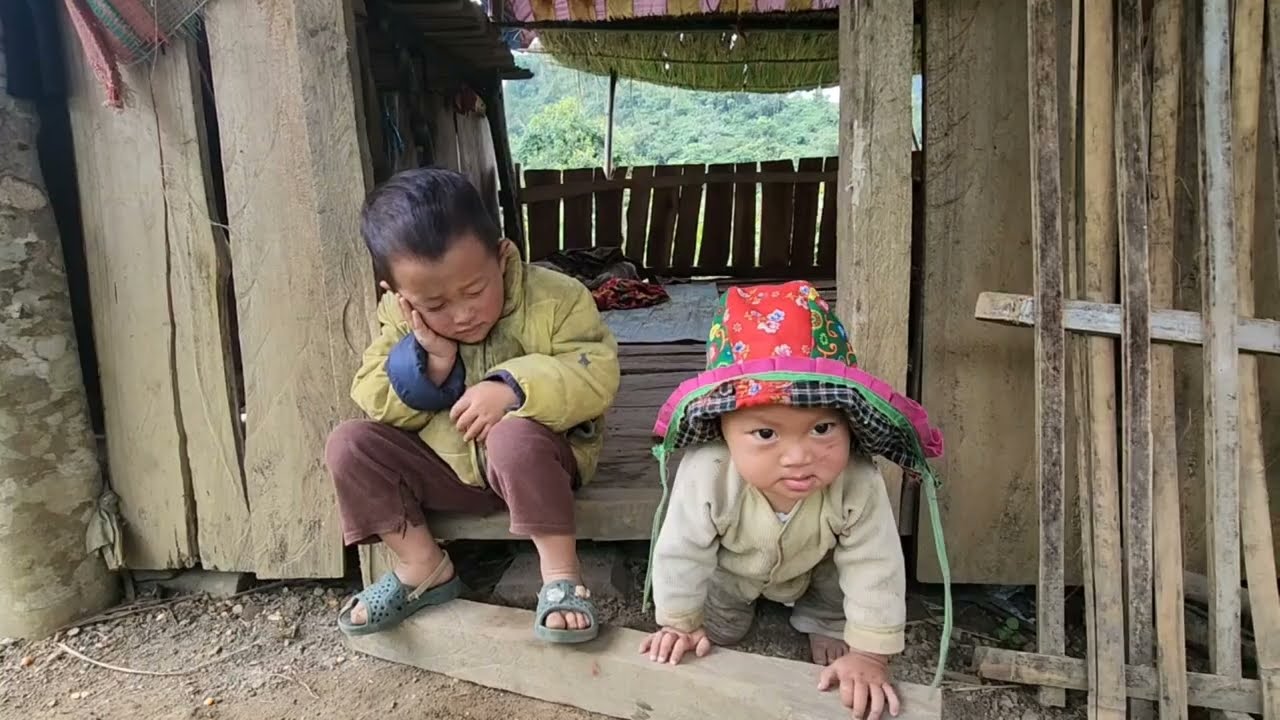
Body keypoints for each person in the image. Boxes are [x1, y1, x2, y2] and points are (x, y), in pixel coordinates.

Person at [326, 168, 620, 643]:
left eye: (475, 290)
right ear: (399, 297)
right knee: (350, 444)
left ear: (501, 257)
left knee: (511, 434)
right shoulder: (400, 321)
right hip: (449, 470)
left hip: (541, 464)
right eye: (436, 304)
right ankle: (424, 566)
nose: (462, 314)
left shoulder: (559, 299)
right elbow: (374, 397)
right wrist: (429, 366)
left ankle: (561, 575)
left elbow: (597, 372)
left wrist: (513, 388)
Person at [639, 281, 944, 720]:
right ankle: (713, 618)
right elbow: (681, 550)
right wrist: (680, 622)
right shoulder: (708, 471)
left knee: (833, 587)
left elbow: (875, 562)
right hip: (731, 569)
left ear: (848, 422)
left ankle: (821, 621)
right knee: (718, 628)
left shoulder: (857, 477)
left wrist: (871, 654)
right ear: (721, 429)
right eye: (766, 434)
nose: (800, 457)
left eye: (822, 429)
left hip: (813, 565)